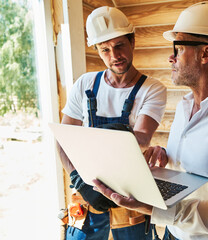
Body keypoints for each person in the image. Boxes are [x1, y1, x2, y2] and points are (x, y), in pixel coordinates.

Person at [94, 2, 208, 240]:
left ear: (206, 53)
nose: (171, 57)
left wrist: (153, 209)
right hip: (172, 234)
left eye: (178, 48)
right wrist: (167, 156)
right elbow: (194, 171)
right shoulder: (184, 106)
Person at [58, 6, 166, 240]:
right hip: (86, 200)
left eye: (119, 46)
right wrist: (77, 177)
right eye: (105, 49)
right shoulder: (84, 84)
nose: (114, 56)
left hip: (130, 202)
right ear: (97, 50)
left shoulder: (152, 89)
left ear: (133, 41)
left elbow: (141, 139)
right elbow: (63, 138)